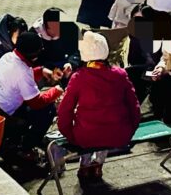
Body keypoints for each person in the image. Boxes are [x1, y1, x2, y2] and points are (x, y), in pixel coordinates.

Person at [54, 32, 142, 180]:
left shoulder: (79, 77)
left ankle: (85, 166)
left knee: (87, 127)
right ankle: (97, 164)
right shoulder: (120, 74)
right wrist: (130, 129)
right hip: (119, 134)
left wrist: (69, 133)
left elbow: (64, 111)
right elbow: (134, 106)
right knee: (107, 124)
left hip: (86, 137)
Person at [0, 32, 63, 159]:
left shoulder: (8, 57)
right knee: (48, 109)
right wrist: (57, 90)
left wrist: (41, 70)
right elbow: (37, 102)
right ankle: (26, 147)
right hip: (4, 116)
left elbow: (17, 78)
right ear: (33, 54)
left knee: (33, 100)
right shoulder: (22, 71)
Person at [34, 7, 80, 74]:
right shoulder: (35, 33)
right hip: (44, 67)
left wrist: (71, 64)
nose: (56, 32)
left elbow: (77, 50)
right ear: (45, 26)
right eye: (52, 29)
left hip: (65, 63)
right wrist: (42, 69)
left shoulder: (72, 29)